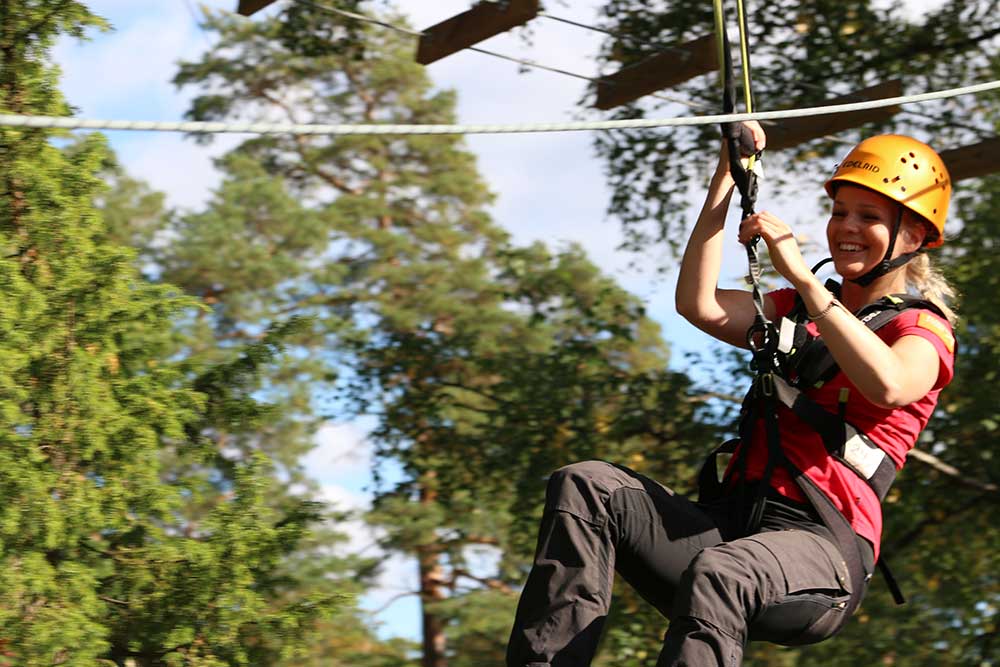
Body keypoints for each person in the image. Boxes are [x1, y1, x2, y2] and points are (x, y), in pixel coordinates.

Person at [505, 123, 957, 667]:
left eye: (869, 217)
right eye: (840, 213)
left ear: (914, 236)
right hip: (730, 530)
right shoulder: (795, 310)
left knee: (724, 573)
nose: (846, 228)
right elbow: (698, 304)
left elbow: (890, 384)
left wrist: (807, 284)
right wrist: (726, 176)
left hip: (821, 551)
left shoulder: (922, 331)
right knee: (587, 486)